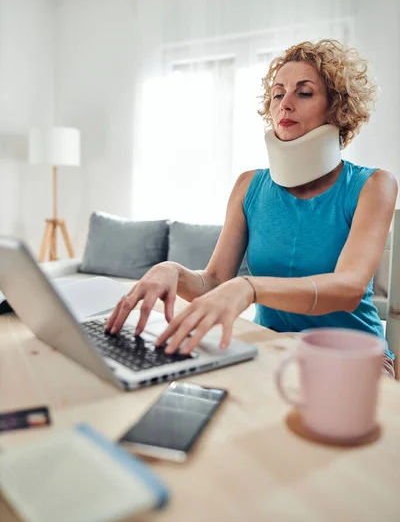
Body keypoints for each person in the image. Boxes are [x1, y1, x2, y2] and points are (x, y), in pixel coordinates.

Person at [106, 39, 398, 377]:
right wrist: (172, 270)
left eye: (303, 93)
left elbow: (348, 289)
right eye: (277, 94)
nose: (284, 105)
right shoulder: (249, 186)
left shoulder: (373, 185)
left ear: (336, 109)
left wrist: (250, 288)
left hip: (353, 358)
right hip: (271, 348)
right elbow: (215, 280)